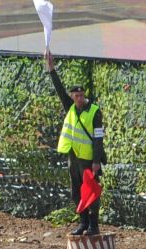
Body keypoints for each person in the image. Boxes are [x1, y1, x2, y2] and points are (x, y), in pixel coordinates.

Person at [44, 49, 105, 237]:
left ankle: (93, 225)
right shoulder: (70, 107)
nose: (79, 99)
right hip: (74, 157)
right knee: (77, 192)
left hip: (88, 159)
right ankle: (83, 222)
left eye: (81, 95)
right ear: (72, 97)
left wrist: (96, 161)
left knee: (92, 192)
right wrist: (51, 69)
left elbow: (98, 138)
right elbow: (59, 90)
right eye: (76, 96)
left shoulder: (94, 111)